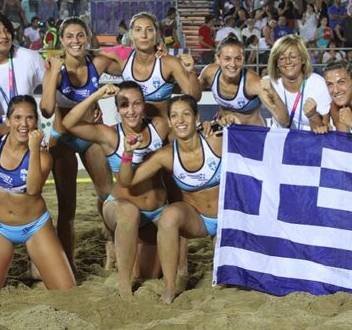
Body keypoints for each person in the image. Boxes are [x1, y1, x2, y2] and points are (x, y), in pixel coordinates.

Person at [117, 95, 232, 304]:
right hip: (198, 221)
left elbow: (253, 139)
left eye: (186, 114)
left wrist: (232, 120)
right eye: (175, 116)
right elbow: (127, 181)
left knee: (225, 284)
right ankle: (170, 289)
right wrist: (127, 154)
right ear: (169, 121)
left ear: (197, 117)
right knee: (169, 216)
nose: (180, 120)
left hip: (228, 220)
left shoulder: (216, 139)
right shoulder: (166, 155)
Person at [62, 82, 169, 298]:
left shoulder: (159, 127)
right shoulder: (110, 135)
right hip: (121, 207)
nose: (131, 111)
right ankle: (124, 288)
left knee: (149, 274)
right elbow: (68, 123)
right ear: (117, 109)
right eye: (124, 105)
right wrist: (97, 95)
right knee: (130, 214)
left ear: (144, 105)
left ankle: (120, 248)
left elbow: (188, 133)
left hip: (155, 211)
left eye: (137, 104)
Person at [39, 17, 122, 271]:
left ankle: (112, 252)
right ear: (62, 41)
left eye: (80, 36)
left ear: (87, 37)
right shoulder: (55, 67)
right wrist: (53, 74)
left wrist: (158, 53)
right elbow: (46, 110)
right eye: (70, 37)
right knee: (68, 207)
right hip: (62, 139)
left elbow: (133, 68)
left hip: (91, 136)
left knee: (107, 195)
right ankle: (69, 264)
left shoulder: (98, 62)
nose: (75, 41)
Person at [0, 95, 75, 297]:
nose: (24, 124)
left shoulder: (43, 156)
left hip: (34, 227)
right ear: (8, 120)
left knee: (67, 292)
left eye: (30, 118)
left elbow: (33, 189)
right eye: (18, 118)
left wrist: (35, 149)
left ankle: (39, 265)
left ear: (36, 122)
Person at [114, 12, 201, 119]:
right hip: (133, 128)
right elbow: (94, 56)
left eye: (149, 30)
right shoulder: (122, 60)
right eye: (138, 30)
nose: (144, 35)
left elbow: (195, 97)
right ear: (131, 35)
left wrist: (191, 72)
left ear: (157, 35)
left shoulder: (169, 63)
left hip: (162, 130)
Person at [199, 35, 288, 126]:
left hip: (250, 134)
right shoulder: (210, 73)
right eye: (227, 59)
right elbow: (192, 96)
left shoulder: (254, 83)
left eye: (238, 59)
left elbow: (284, 121)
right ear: (218, 58)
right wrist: (189, 73)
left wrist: (274, 94)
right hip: (226, 131)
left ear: (243, 60)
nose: (233, 64)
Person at [265, 35, 331, 132]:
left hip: (310, 143)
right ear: (276, 63)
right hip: (281, 142)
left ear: (303, 59)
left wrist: (313, 116)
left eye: (293, 57)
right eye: (282, 58)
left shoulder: (317, 84)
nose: (288, 61)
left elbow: (325, 130)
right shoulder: (271, 85)